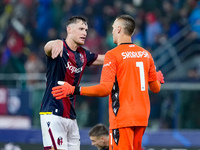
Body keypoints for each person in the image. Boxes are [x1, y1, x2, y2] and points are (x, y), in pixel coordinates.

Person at [52, 15, 164, 150]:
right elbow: (155, 88)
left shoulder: (113, 55)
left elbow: (105, 89)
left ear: (118, 29)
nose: (111, 32)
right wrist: (157, 79)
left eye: (112, 28)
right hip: (142, 117)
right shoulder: (146, 54)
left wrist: (74, 89)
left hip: (123, 118)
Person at [40, 16, 104, 150]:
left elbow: (106, 59)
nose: (84, 33)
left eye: (86, 30)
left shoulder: (84, 55)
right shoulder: (59, 47)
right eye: (81, 29)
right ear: (69, 29)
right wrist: (56, 42)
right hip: (53, 113)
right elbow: (47, 48)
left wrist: (125, 54)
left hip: (71, 116)